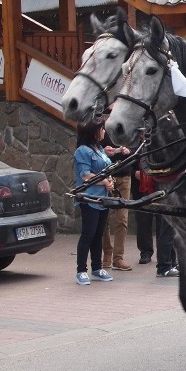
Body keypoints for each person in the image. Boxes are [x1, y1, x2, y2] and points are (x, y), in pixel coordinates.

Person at [73, 118, 114, 285]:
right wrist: (104, 181)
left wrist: (110, 180)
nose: (104, 131)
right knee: (88, 234)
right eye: (101, 128)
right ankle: (81, 270)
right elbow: (85, 174)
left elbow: (106, 168)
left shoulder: (100, 149)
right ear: (93, 132)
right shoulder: (83, 151)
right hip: (89, 197)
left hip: (103, 198)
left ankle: (97, 268)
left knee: (99, 234)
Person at [133, 162, 179, 277]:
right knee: (166, 229)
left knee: (170, 229)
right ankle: (164, 266)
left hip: (167, 189)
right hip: (164, 190)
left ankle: (172, 262)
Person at [100, 130, 133, 271]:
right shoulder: (101, 130)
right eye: (109, 111)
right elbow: (90, 149)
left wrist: (129, 150)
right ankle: (107, 253)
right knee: (103, 217)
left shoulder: (126, 125)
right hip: (106, 176)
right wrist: (103, 151)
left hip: (125, 175)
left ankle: (118, 258)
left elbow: (139, 146)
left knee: (122, 219)